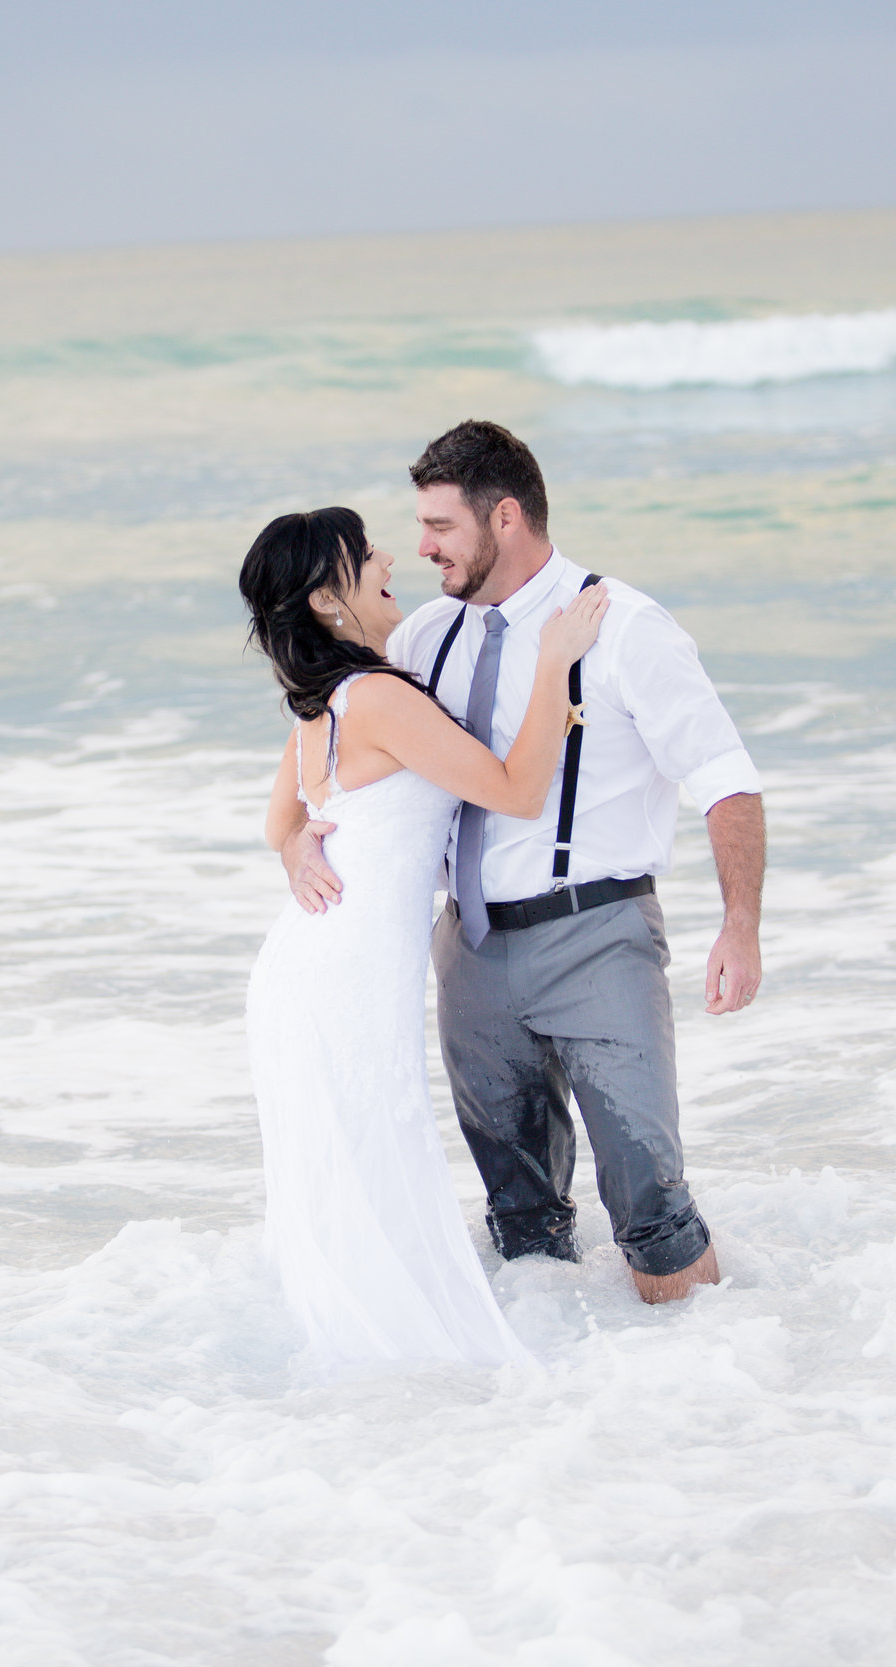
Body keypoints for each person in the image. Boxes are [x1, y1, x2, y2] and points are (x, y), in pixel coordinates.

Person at [281, 421, 765, 1304]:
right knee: (522, 1220)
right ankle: (557, 1402)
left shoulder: (622, 627)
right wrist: (298, 835)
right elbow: (332, 732)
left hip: (598, 939)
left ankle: (719, 1389)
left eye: (439, 527)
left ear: (503, 518)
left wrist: (740, 924)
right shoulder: (425, 636)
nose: (420, 547)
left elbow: (724, 776)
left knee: (650, 1204)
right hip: (467, 955)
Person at [241, 505, 610, 1370]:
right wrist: (556, 663)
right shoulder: (373, 697)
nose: (385, 557)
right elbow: (518, 790)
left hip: (310, 968)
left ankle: (372, 1380)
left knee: (361, 1177)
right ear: (329, 600)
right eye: (362, 555)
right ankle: (413, 1376)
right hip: (342, 976)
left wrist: (298, 847)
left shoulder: (323, 704)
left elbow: (276, 825)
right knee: (378, 1158)